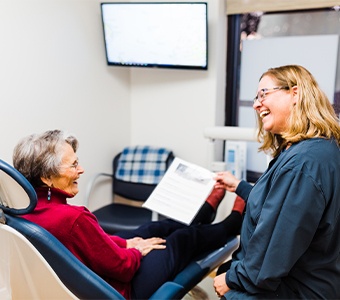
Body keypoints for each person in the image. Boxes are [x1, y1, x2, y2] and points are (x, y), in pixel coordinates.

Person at [13, 129, 246, 300]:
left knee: (150, 230)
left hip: (89, 275)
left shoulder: (21, 211)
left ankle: (203, 213)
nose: (81, 170)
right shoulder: (72, 219)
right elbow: (122, 269)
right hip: (115, 290)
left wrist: (126, 243)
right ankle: (232, 224)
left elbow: (90, 245)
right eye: (73, 165)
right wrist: (135, 251)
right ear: (46, 177)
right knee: (179, 241)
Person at [213, 65, 340, 299]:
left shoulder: (302, 163)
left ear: (295, 94)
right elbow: (279, 207)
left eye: (264, 94)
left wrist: (231, 279)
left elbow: (273, 251)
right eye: (255, 97)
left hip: (293, 288)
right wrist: (239, 186)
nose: (256, 104)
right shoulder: (316, 148)